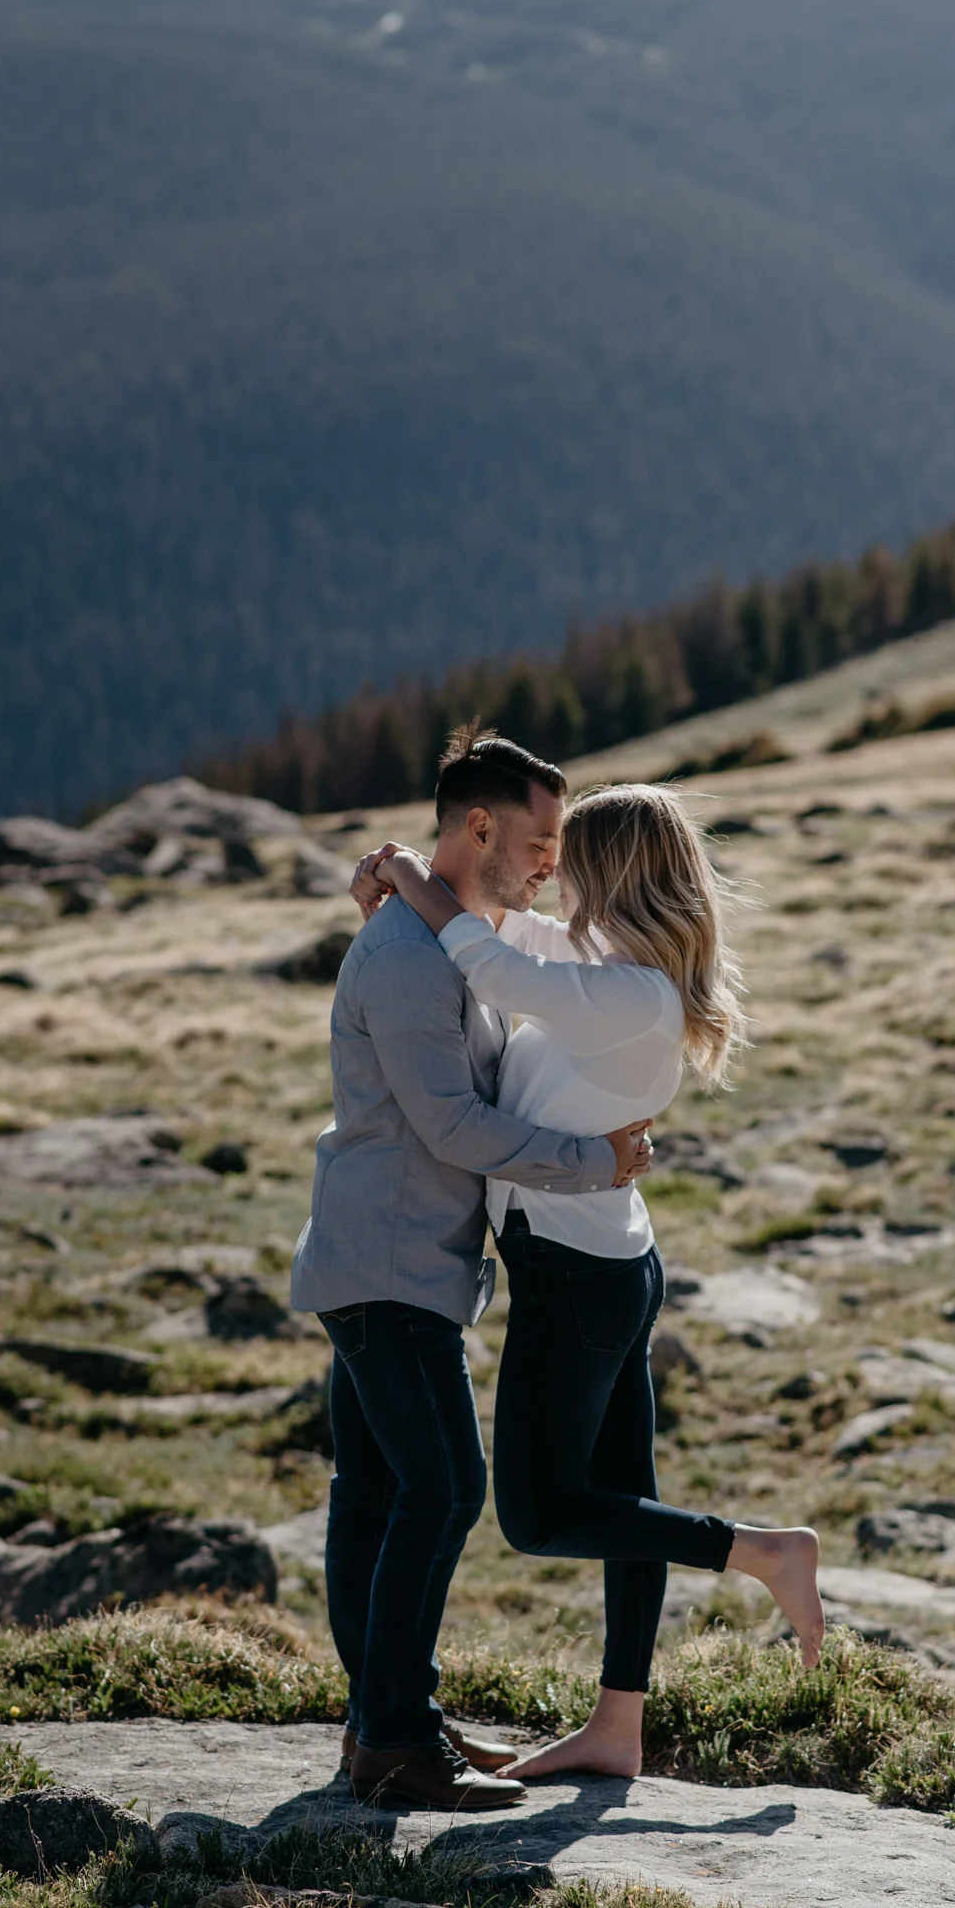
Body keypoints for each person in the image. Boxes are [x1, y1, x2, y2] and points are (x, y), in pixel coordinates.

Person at [352, 780, 826, 1783]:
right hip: (607, 1262)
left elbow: (480, 955)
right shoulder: (611, 965)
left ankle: (760, 1553)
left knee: (537, 1512)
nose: (551, 867)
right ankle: (617, 1725)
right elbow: (505, 934)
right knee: (621, 1499)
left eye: (571, 854)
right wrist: (414, 888)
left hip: (575, 1276)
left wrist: (404, 874)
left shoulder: (626, 994)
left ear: (611, 871)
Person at [289, 729, 658, 1812]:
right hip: (388, 1264)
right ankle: (396, 1734)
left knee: (374, 1493)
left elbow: (530, 977)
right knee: (443, 1488)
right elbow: (452, 1124)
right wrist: (591, 1164)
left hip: (391, 1257)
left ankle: (380, 1721)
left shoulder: (445, 937)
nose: (553, 860)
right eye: (540, 838)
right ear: (480, 826)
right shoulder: (409, 957)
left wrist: (402, 876)